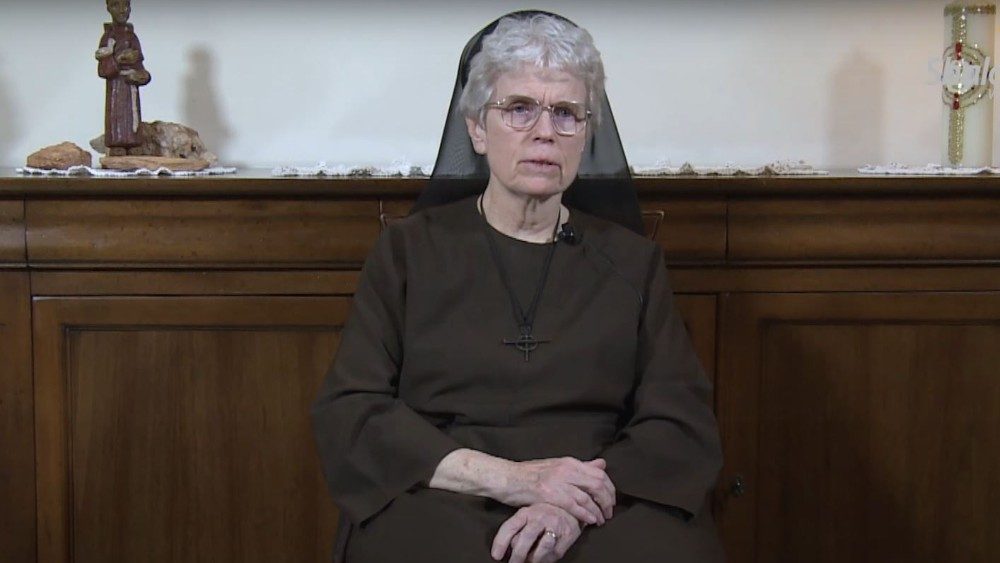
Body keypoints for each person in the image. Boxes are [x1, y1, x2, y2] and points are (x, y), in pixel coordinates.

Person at [311, 11, 724, 563]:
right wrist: (512, 480)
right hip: (449, 489)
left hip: (598, 494)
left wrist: (569, 504)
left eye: (566, 113)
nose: (545, 131)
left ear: (586, 134)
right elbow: (353, 411)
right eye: (520, 108)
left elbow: (679, 419)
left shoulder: (634, 262)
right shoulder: (407, 252)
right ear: (477, 129)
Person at [95, 0, 151, 156]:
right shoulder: (108, 37)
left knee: (132, 116)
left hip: (131, 85)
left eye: (125, 5)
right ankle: (116, 144)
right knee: (116, 114)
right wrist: (119, 59)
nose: (122, 10)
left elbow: (140, 66)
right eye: (116, 5)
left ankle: (133, 142)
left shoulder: (132, 37)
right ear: (108, 8)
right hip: (116, 86)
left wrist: (142, 76)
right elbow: (103, 70)